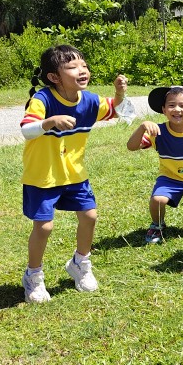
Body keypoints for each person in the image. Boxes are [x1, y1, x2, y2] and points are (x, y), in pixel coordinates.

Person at [19, 45, 127, 303]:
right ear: (54, 77)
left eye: (84, 65)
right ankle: (33, 275)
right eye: (72, 67)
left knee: (89, 216)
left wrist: (119, 93)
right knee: (44, 227)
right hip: (43, 176)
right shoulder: (42, 100)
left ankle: (80, 263)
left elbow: (114, 108)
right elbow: (26, 130)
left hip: (75, 174)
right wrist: (49, 122)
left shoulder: (89, 100)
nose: (82, 70)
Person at [126, 85, 183, 244]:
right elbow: (131, 146)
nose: (177, 109)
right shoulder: (157, 132)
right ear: (164, 110)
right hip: (170, 178)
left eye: (182, 105)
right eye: (171, 105)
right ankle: (157, 225)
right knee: (157, 200)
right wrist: (142, 127)